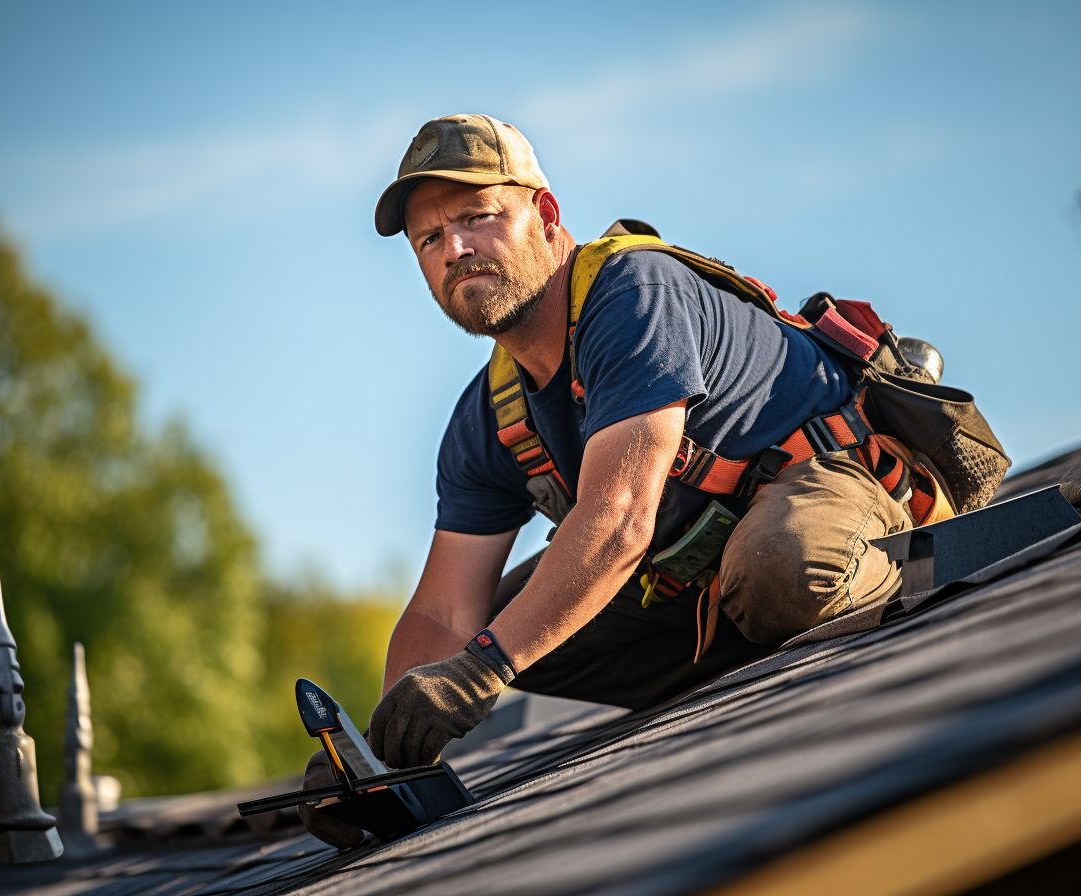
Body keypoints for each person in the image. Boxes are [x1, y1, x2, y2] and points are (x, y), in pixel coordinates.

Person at [300, 113, 931, 847]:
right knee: (503, 629)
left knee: (778, 569)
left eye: (477, 217)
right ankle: (747, 664)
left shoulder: (632, 294)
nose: (456, 250)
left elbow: (622, 516)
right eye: (430, 240)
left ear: (544, 214)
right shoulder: (488, 416)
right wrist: (377, 762)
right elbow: (444, 613)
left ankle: (876, 585)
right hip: (706, 577)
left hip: (845, 493)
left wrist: (483, 669)